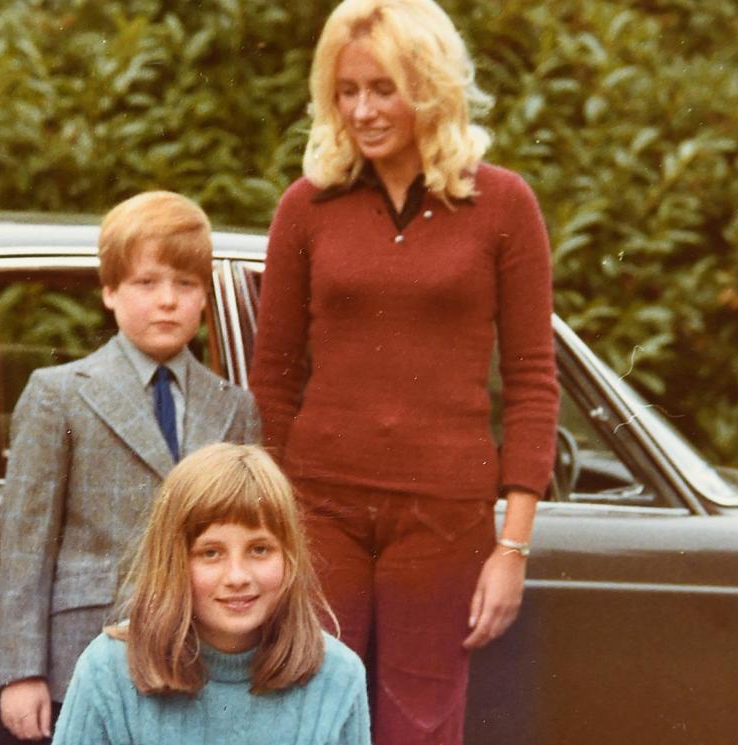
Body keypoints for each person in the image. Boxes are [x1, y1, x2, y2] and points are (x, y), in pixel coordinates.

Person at [248, 1, 559, 743]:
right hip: (321, 510)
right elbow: (274, 377)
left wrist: (511, 548)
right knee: (308, 717)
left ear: (430, 86)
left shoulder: (504, 205)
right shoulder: (307, 208)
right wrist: (279, 524)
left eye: (382, 88)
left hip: (444, 517)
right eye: (346, 91)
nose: (362, 110)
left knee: (420, 726)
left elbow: (532, 378)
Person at [0, 191, 262, 741]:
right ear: (110, 292)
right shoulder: (59, 394)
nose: (167, 301)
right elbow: (26, 546)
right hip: (88, 649)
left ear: (204, 299)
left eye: (185, 285)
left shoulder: (235, 407)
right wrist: (22, 671)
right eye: (147, 283)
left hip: (206, 658)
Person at [52, 443, 371, 745]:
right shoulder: (108, 669)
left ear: (289, 557)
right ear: (174, 561)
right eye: (211, 553)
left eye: (259, 549)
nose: (237, 577)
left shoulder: (338, 677)